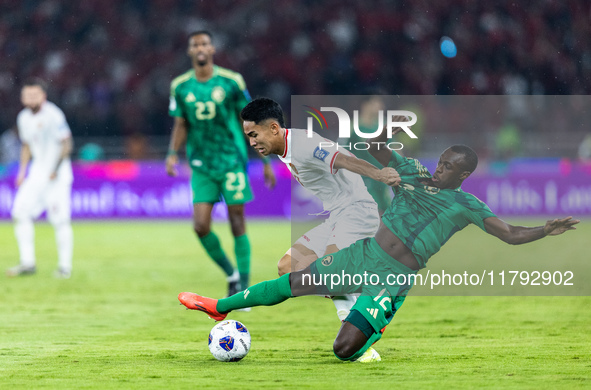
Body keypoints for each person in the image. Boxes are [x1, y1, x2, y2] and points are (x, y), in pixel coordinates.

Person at [178, 121, 579, 362]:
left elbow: (508, 235)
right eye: (440, 163)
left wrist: (545, 229)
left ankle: (375, 322)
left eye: (449, 168)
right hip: (363, 255)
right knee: (292, 282)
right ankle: (219, 306)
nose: (439, 171)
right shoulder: (413, 173)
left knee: (343, 350)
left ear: (464, 175)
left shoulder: (466, 204)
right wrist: (381, 133)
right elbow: (377, 148)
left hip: (394, 277)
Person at [241, 98, 399, 361]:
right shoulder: (286, 148)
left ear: (273, 129)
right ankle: (360, 305)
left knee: (333, 273)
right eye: (248, 136)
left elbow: (344, 160)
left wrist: (379, 174)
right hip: (338, 215)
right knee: (288, 267)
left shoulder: (303, 145)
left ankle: (361, 331)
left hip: (357, 211)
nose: (252, 142)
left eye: (254, 135)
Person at [166, 31, 276, 296]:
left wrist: (265, 158)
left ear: (212, 48)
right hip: (202, 164)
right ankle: (232, 274)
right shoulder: (180, 86)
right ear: (190, 51)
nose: (200, 48)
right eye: (195, 44)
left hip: (231, 160)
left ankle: (245, 288)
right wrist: (172, 153)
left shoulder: (231, 81)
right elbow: (181, 122)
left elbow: (249, 121)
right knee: (200, 226)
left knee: (236, 220)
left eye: (204, 43)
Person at [7, 78, 74, 278]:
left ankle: (64, 267)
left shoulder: (53, 114)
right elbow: (26, 145)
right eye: (27, 95)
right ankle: (28, 263)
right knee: (20, 212)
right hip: (37, 173)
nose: (30, 98)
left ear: (43, 96)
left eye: (35, 95)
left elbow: (67, 144)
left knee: (60, 220)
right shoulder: (23, 118)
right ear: (22, 97)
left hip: (57, 175)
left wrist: (55, 168)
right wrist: (22, 172)